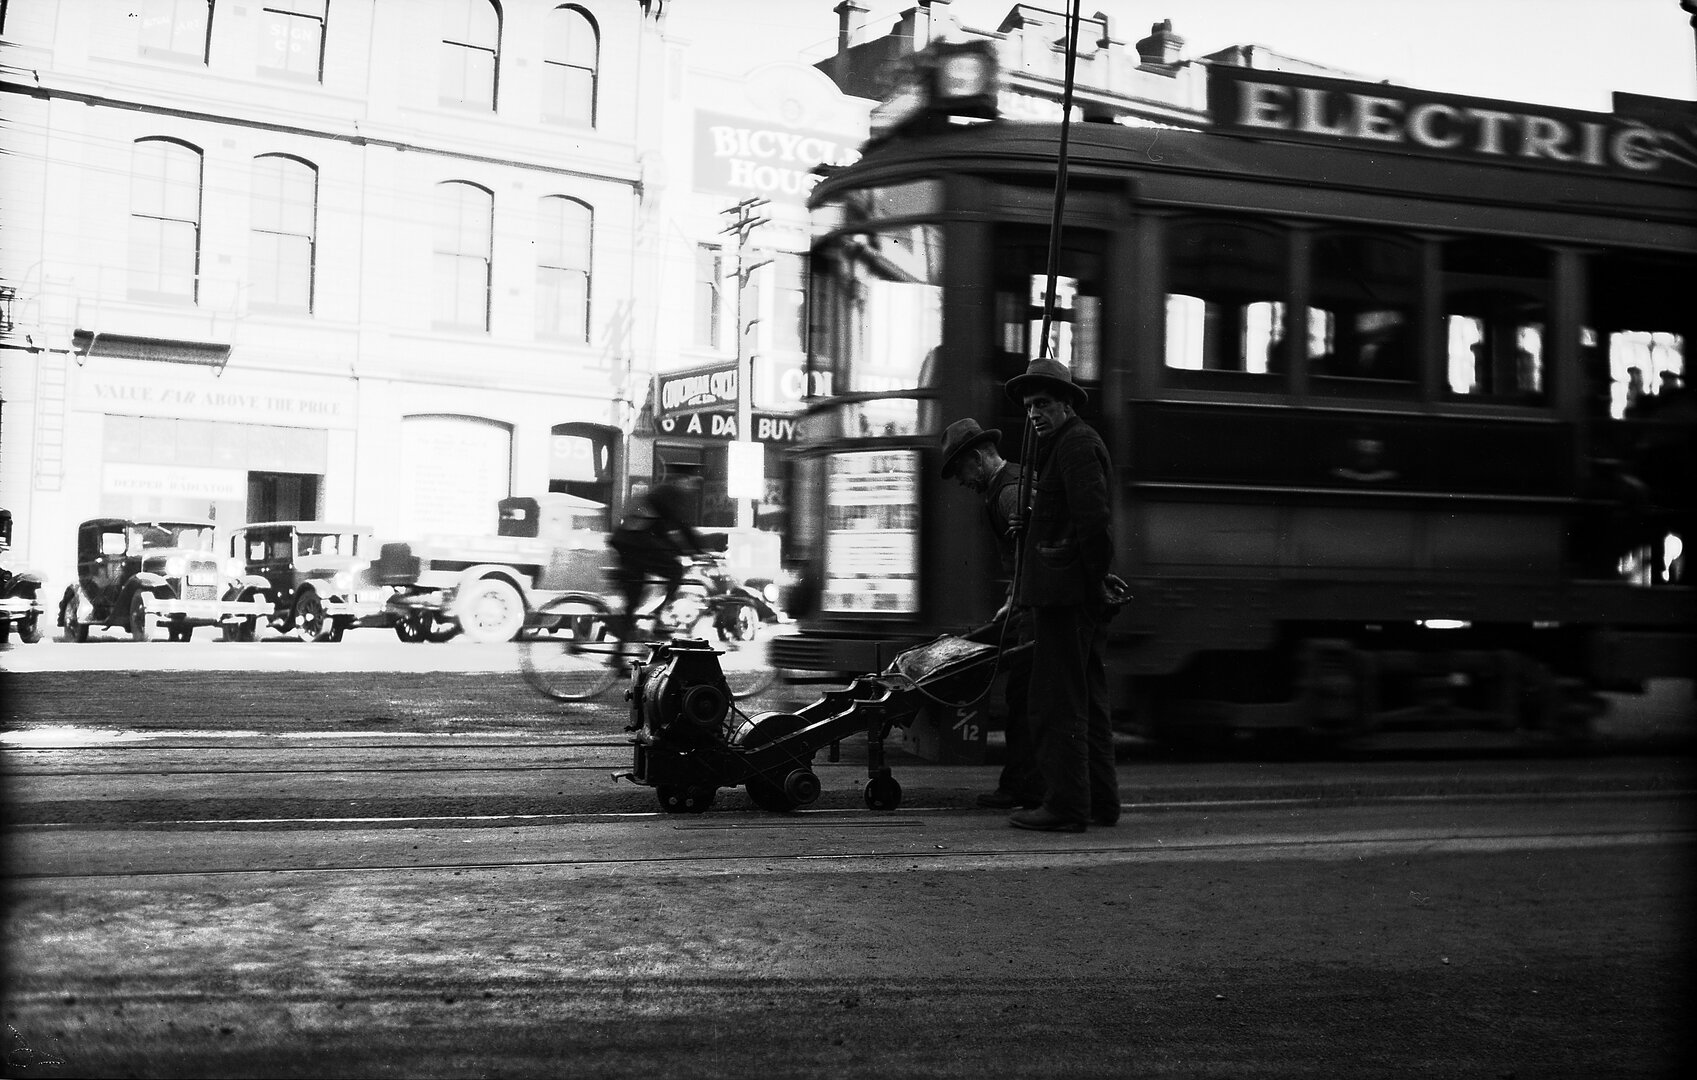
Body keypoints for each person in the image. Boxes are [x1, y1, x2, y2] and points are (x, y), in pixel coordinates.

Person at [1004, 358, 1119, 833]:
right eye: (1030, 405)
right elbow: (1069, 518)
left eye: (1044, 403)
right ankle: (1099, 803)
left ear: (1067, 404)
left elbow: (1093, 521)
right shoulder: (1065, 445)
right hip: (1068, 592)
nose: (1034, 412)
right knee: (1086, 700)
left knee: (1057, 701)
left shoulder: (1073, 445)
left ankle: (1067, 806)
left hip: (1065, 595)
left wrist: (1096, 581)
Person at [938, 417, 1042, 811]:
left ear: (979, 459)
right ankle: (1022, 785)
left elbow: (1032, 554)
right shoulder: (1005, 487)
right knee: (1024, 698)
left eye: (961, 471)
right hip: (1029, 605)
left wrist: (1018, 601)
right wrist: (1011, 600)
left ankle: (1023, 788)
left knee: (1025, 698)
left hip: (1038, 611)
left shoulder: (1009, 493)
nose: (961, 482)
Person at [608, 465, 707, 655]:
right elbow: (681, 525)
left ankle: (618, 656)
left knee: (633, 598)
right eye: (691, 482)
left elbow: (662, 533)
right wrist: (698, 550)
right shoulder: (670, 492)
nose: (692, 488)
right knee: (675, 570)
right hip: (636, 542)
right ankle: (659, 617)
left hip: (626, 541)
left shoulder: (658, 492)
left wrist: (684, 550)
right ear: (682, 480)